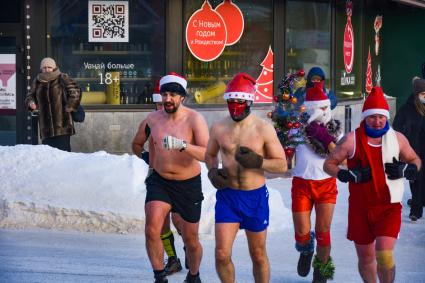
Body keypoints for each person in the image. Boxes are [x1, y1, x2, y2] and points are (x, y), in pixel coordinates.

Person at [323, 86, 421, 283]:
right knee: (366, 258)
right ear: (365, 118)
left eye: (381, 117)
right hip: (361, 208)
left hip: (388, 207)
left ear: (387, 117)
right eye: (372, 117)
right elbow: (329, 165)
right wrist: (346, 175)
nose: (377, 122)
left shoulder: (397, 139)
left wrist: (406, 169)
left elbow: (415, 161)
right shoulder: (352, 140)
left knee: (384, 255)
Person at [205, 73, 287, 283]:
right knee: (221, 254)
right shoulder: (219, 127)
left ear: (249, 101)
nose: (234, 106)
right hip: (228, 196)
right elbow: (210, 154)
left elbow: (282, 164)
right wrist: (213, 172)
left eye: (239, 101)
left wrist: (258, 162)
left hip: (255, 197)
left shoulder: (263, 129)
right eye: (231, 102)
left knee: (258, 255)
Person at [141, 72, 209, 283]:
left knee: (191, 239)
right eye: (164, 94)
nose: (167, 99)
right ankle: (159, 276)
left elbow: (208, 154)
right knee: (152, 228)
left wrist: (184, 146)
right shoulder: (153, 119)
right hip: (160, 181)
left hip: (188, 184)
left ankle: (194, 275)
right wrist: (149, 164)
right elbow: (143, 143)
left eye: (172, 94)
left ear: (182, 98)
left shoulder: (194, 119)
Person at [291, 82, 342, 282]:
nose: (323, 112)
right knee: (302, 232)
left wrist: (323, 136)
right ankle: (305, 250)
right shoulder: (297, 130)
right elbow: (284, 155)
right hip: (302, 184)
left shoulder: (335, 129)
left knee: (323, 231)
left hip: (326, 185)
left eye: (325, 108)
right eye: (319, 108)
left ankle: (321, 272)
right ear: (311, 109)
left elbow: (342, 158)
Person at [132, 80, 183, 276]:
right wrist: (146, 156)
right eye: (160, 103)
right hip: (157, 178)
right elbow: (136, 145)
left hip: (182, 180)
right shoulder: (149, 121)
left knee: (180, 222)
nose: (163, 106)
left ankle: (189, 249)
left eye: (167, 102)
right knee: (160, 222)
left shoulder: (186, 121)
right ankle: (172, 259)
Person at [25, 57, 81, 152]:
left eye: (49, 67)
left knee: (63, 154)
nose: (47, 70)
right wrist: (31, 103)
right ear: (41, 69)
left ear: (54, 68)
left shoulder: (62, 78)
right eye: (44, 67)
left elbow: (76, 91)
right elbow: (29, 96)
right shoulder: (37, 81)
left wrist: (70, 106)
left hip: (62, 126)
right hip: (46, 128)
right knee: (49, 156)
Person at [392, 76, 425, 221]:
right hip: (414, 150)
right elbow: (396, 127)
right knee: (416, 178)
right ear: (417, 94)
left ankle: (420, 201)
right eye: (423, 94)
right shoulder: (407, 108)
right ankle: (416, 210)